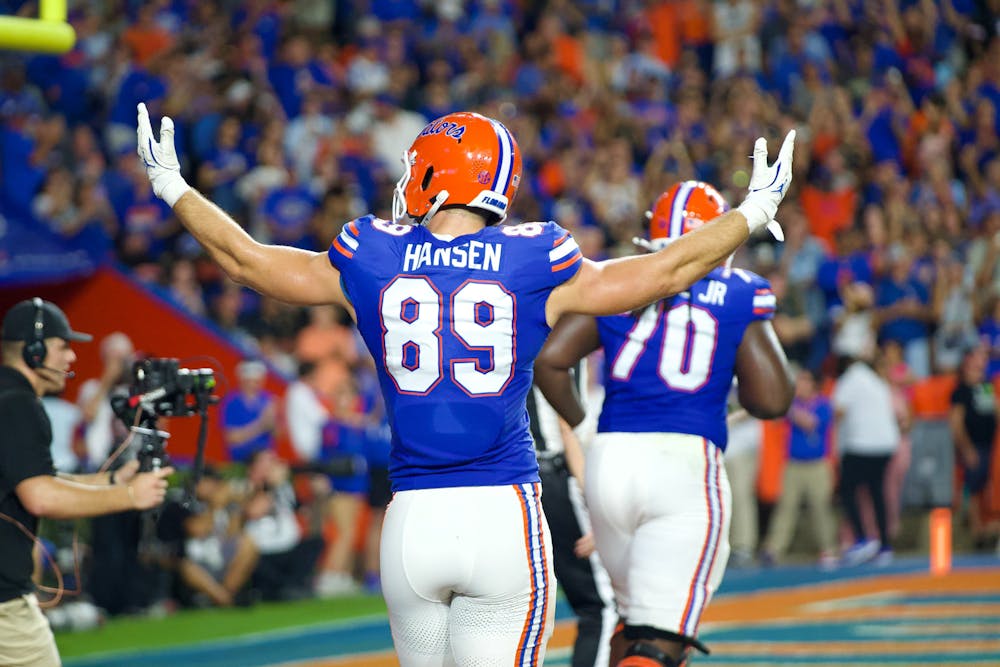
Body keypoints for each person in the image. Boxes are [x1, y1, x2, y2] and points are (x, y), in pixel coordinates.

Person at [137, 103, 795, 666]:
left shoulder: (373, 251)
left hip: (412, 520)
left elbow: (246, 261)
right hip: (500, 512)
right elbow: (664, 272)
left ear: (431, 173)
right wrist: (754, 207)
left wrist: (172, 187)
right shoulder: (535, 255)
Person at [534, 181, 793, 667]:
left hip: (611, 463)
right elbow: (773, 399)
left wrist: (584, 428)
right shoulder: (739, 291)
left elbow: (550, 360)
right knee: (659, 642)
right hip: (683, 464)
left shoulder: (624, 278)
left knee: (631, 624)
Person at [0, 298, 173, 667]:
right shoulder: (18, 403)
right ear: (35, 350)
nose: (72, 358)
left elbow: (36, 478)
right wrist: (129, 495)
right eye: (63, 347)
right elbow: (41, 496)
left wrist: (108, 480)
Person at [528, 361, 616, 667]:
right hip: (550, 478)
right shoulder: (559, 345)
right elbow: (567, 426)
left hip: (502, 482)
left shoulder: (509, 330)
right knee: (601, 606)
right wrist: (594, 502)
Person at [760, 367, 838, 568]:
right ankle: (774, 549)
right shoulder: (793, 404)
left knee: (821, 508)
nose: (799, 387)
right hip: (793, 464)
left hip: (817, 465)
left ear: (813, 384)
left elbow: (810, 423)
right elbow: (774, 417)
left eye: (804, 382)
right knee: (786, 507)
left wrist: (786, 406)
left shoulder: (823, 405)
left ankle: (828, 548)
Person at [832, 346, 901, 566]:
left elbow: (838, 412)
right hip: (886, 444)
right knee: (877, 492)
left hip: (861, 444)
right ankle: (884, 545)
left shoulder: (850, 379)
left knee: (848, 491)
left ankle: (862, 539)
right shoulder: (875, 380)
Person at [949, 345, 998, 548]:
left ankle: (986, 528)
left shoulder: (986, 386)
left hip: (990, 446)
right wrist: (966, 448)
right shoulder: (961, 390)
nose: (982, 362)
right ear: (967, 361)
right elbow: (956, 422)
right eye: (978, 357)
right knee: (974, 486)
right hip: (974, 446)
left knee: (986, 486)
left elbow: (994, 411)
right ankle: (977, 532)